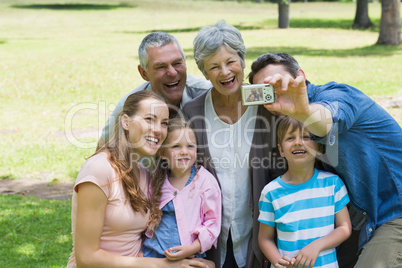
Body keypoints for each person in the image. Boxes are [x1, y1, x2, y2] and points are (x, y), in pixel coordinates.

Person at [248, 52, 402, 268]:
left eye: (279, 83)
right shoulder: (284, 121)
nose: (276, 93)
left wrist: (304, 112)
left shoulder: (338, 96)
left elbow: (327, 121)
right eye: (266, 91)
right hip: (363, 217)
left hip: (395, 211)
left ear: (300, 76)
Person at [67, 91, 213, 268]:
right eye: (149, 119)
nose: (158, 129)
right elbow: (87, 258)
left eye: (164, 123)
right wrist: (165, 265)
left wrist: (192, 261)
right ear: (126, 122)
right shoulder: (99, 169)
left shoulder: (145, 173)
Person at [182, 21, 286, 268]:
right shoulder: (192, 111)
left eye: (230, 62)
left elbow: (284, 163)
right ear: (205, 72)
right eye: (214, 67)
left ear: (242, 61)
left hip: (264, 234)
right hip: (210, 238)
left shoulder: (265, 102)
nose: (225, 72)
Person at [258, 116, 352, 268]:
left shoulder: (332, 184)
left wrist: (317, 246)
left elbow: (344, 228)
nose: (297, 142)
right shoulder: (271, 192)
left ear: (319, 148)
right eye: (290, 138)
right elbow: (265, 238)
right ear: (281, 150)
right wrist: (277, 261)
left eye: (306, 137)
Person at [97, 31, 212, 149]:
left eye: (177, 63)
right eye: (161, 67)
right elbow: (103, 150)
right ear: (144, 73)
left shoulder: (207, 94)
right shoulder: (130, 107)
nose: (172, 72)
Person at [142, 117, 222, 260]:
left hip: (190, 258)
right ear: (162, 153)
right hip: (153, 257)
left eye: (190, 146)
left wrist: (191, 249)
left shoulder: (205, 182)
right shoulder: (156, 181)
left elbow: (212, 224)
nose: (184, 151)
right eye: (176, 146)